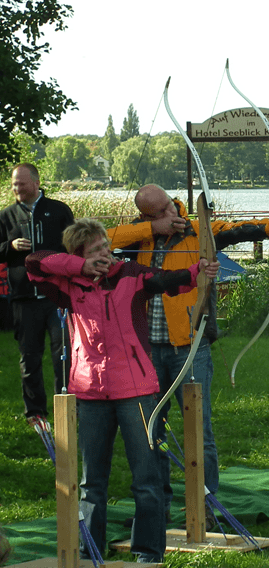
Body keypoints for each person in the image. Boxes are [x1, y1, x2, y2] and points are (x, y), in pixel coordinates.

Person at [26, 218, 219, 564]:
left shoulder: (129, 274)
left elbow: (168, 280)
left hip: (136, 391)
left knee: (146, 479)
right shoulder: (68, 284)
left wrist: (198, 270)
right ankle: (89, 553)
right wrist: (80, 267)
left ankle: (148, 554)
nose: (105, 253)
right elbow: (33, 263)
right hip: (88, 392)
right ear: (79, 256)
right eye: (96, 249)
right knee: (90, 483)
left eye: (105, 245)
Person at [107, 184, 269, 526]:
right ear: (147, 217)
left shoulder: (197, 229)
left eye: (170, 207)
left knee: (200, 430)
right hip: (148, 350)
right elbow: (102, 241)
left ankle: (205, 505)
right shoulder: (139, 238)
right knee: (153, 430)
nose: (170, 215)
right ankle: (157, 506)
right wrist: (151, 229)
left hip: (190, 347)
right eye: (160, 213)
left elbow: (238, 230)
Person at [0, 163, 74, 426]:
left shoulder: (58, 210)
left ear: (35, 182)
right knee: (29, 358)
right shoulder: (6, 215)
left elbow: (75, 247)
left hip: (56, 297)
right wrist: (10, 246)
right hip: (23, 300)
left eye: (20, 183)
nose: (15, 188)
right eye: (13, 184)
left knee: (62, 355)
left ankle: (65, 405)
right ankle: (35, 413)